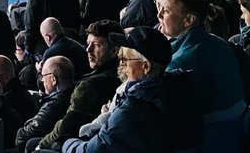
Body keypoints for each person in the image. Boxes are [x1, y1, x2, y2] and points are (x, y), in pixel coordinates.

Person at [59, 27, 195, 153]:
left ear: (145, 66)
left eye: (125, 58)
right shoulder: (174, 89)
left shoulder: (132, 110)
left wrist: (66, 143)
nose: (121, 63)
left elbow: (91, 150)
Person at [158, 0, 245, 130]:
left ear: (189, 20)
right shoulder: (219, 42)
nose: (159, 15)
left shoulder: (178, 64)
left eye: (165, 10)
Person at [31, 22, 121, 151]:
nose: (88, 49)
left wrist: (40, 146)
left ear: (114, 51)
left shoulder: (89, 86)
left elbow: (66, 126)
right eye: (88, 43)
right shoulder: (122, 76)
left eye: (96, 45)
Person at [14, 57, 74, 152]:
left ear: (53, 79)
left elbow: (27, 134)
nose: (42, 80)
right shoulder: (74, 95)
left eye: (43, 75)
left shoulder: (53, 106)